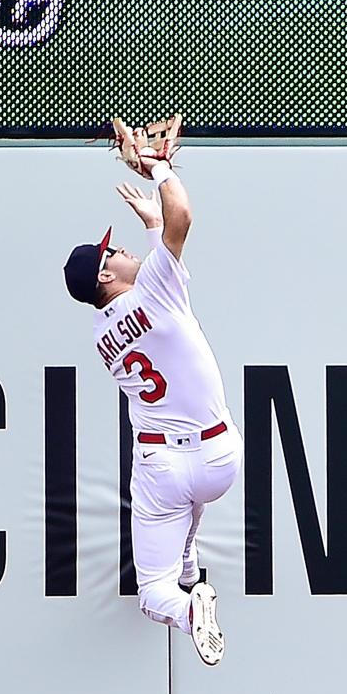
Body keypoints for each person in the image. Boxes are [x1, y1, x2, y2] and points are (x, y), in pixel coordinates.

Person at [62, 117, 240, 666]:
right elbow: (182, 219)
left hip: (162, 466)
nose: (124, 255)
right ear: (105, 278)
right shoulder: (157, 292)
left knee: (153, 594)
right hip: (219, 460)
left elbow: (160, 256)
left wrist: (151, 224)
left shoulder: (101, 333)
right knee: (184, 531)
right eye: (113, 256)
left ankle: (187, 607)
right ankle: (191, 578)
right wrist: (159, 169)